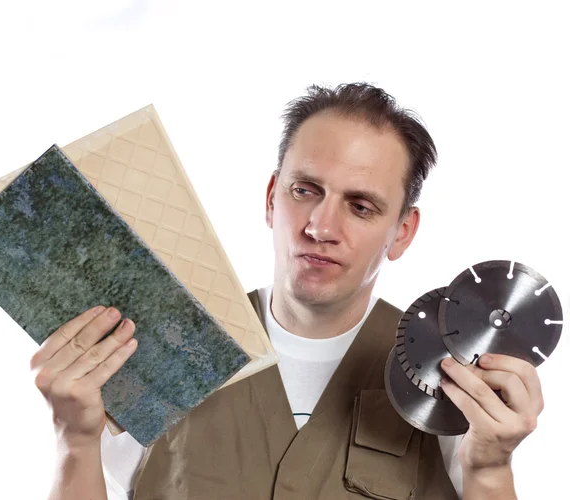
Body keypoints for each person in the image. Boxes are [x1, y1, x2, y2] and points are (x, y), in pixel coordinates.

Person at [32, 83, 543, 500]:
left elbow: (485, 468)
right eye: (306, 191)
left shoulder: (458, 387)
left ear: (402, 233)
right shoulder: (154, 345)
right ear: (272, 198)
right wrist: (75, 439)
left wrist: (492, 470)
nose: (321, 226)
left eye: (361, 206)